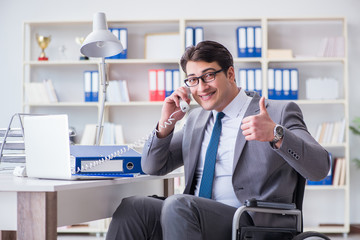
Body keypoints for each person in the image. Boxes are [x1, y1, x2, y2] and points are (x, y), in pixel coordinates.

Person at [105, 40, 330, 240]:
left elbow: (320, 168)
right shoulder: (195, 120)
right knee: (132, 207)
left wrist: (276, 134)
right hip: (191, 214)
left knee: (179, 204)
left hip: (252, 222)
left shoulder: (277, 112)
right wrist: (167, 124)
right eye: (193, 80)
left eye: (209, 76)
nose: (201, 87)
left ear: (230, 74)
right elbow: (152, 166)